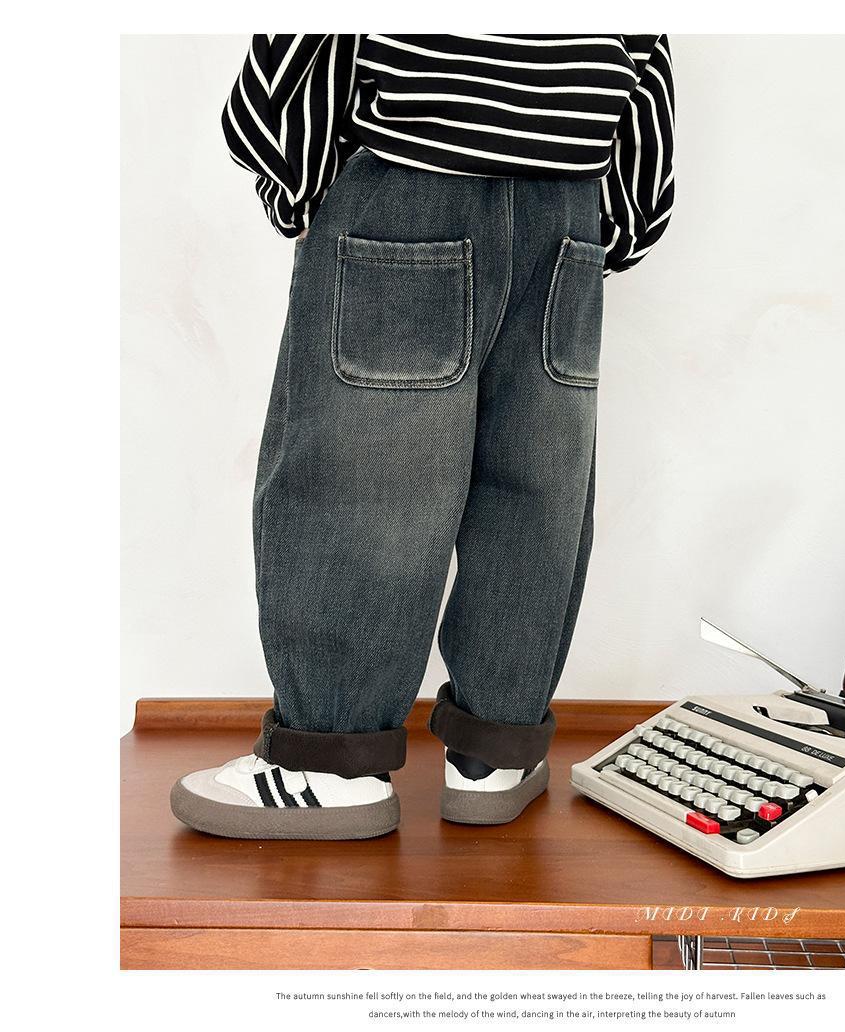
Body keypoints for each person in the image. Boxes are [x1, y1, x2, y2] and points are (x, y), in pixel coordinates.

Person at [171, 33, 675, 839]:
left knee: (362, 483)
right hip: (568, 202)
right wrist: (620, 210)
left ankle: (328, 763)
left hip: (410, 176)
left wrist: (293, 173)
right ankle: (498, 750)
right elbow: (646, 62)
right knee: (536, 482)